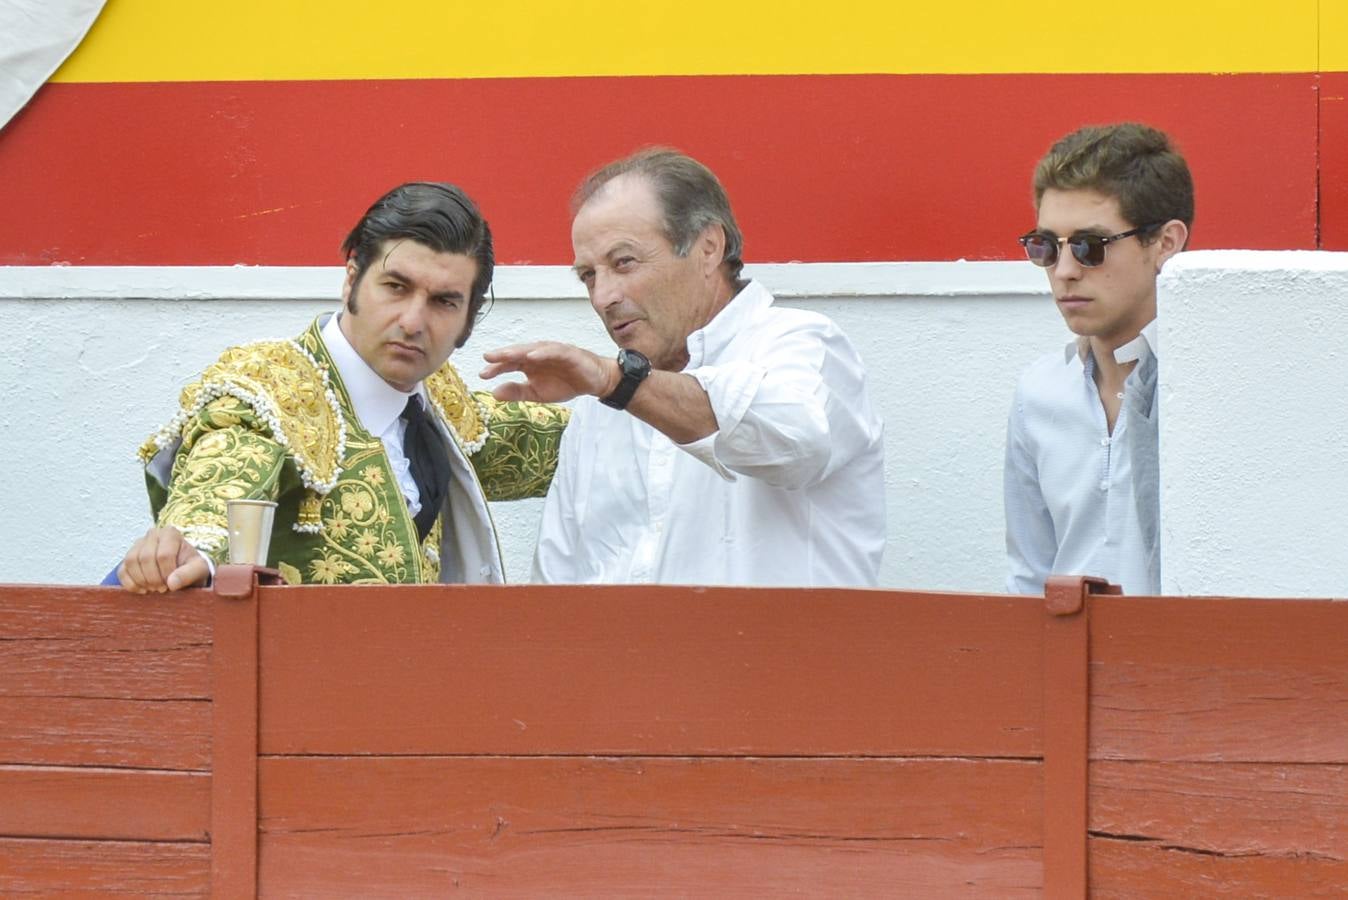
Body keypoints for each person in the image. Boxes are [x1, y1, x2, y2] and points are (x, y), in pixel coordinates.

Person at [119, 182, 568, 591]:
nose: (413, 322)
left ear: (468, 320)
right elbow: (225, 477)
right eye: (396, 287)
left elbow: (574, 447)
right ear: (351, 280)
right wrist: (191, 545)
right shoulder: (270, 389)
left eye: (443, 301)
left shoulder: (442, 407)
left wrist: (612, 382)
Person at [481, 148, 885, 586]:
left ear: (709, 248)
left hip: (777, 656)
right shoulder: (600, 402)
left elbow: (795, 443)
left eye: (624, 263)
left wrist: (619, 384)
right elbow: (558, 591)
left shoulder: (802, 344)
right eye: (589, 276)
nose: (602, 297)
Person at [1004, 123, 1193, 596]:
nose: (1064, 271)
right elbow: (1030, 581)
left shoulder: (1208, 389)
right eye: (1045, 246)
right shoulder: (1040, 391)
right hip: (1065, 664)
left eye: (1091, 246)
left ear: (1165, 244)